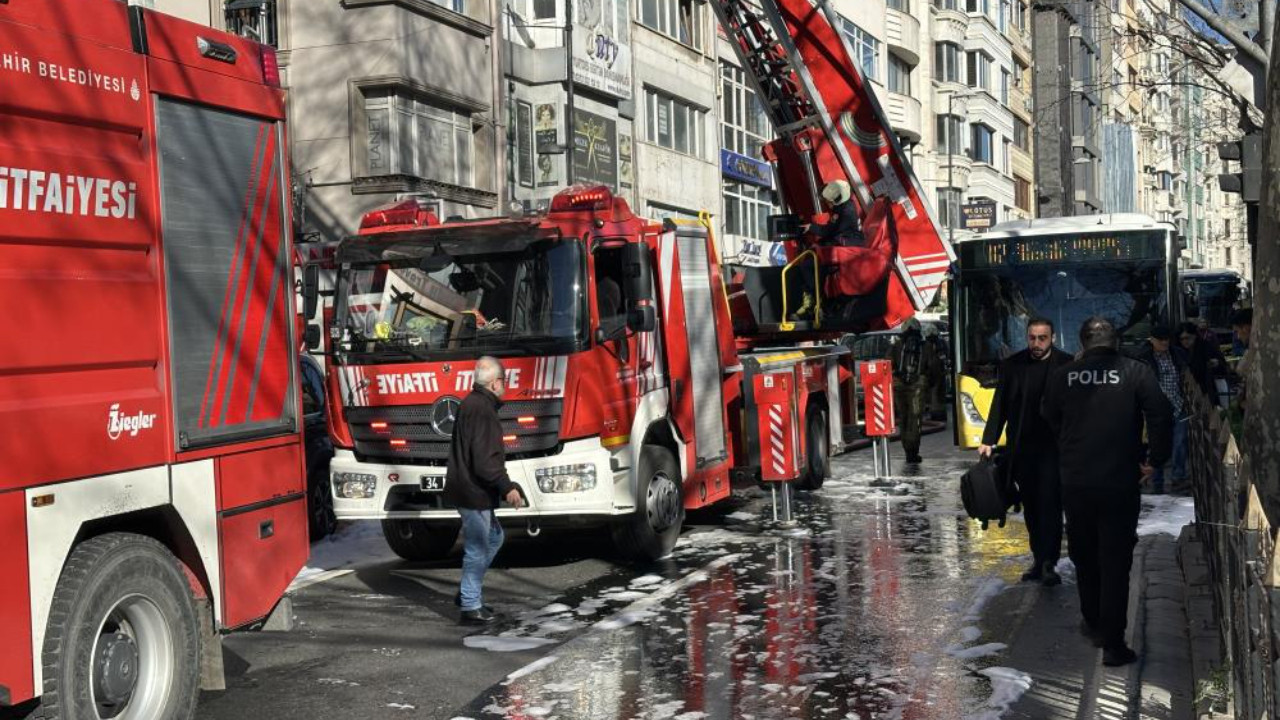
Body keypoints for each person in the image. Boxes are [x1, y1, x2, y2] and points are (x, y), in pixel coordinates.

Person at [1042, 317, 1173, 666]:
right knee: (1116, 560)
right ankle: (1113, 643)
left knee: (1085, 555)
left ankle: (1093, 620)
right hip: (1119, 480)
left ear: (1083, 344)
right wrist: (1155, 460)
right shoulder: (1135, 371)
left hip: (1076, 480)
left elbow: (1049, 417)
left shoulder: (1062, 375)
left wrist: (1071, 447)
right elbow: (1161, 413)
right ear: (1115, 342)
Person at [978, 317, 1073, 585]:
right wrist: (989, 439)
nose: (1037, 343)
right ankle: (1038, 558)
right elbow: (1001, 405)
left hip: (1054, 449)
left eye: (1042, 338)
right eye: (1032, 338)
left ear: (1053, 338)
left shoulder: (1067, 365)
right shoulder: (1013, 365)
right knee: (1031, 507)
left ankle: (1049, 563)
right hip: (1023, 448)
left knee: (1051, 505)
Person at [444, 356, 525, 625]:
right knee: (478, 547)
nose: (505, 386)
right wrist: (507, 487)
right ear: (495, 383)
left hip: (468, 488)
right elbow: (486, 460)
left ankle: (469, 591)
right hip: (473, 492)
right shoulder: (482, 410)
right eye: (503, 381)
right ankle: (470, 606)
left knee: (494, 538)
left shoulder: (471, 404)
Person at [793, 180, 864, 320]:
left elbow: (832, 232)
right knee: (813, 264)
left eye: (828, 201)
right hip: (843, 249)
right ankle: (818, 304)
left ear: (836, 199)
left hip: (843, 251)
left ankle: (814, 303)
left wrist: (814, 231)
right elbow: (832, 231)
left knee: (808, 267)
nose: (827, 204)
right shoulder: (845, 208)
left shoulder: (845, 212)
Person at [1136, 325, 1188, 494]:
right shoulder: (1143, 358)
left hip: (1178, 404)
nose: (1165, 342)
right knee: (1156, 445)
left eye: (1167, 339)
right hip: (1155, 409)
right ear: (1152, 340)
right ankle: (1157, 480)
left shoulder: (1177, 354)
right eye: (1161, 340)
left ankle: (1177, 477)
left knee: (1179, 443)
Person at [890, 318, 938, 463]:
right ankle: (912, 452)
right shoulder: (927, 346)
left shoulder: (896, 346)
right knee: (915, 420)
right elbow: (934, 368)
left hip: (899, 387)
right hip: (918, 387)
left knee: (903, 419)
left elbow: (888, 364)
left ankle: (907, 450)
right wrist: (929, 385)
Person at [1179, 321, 1224, 407]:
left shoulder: (1206, 347)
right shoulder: (1180, 351)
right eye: (1182, 339)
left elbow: (1222, 365)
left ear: (1194, 336)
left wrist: (1216, 363)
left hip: (1207, 391)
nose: (1185, 341)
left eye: (1187, 338)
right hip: (1189, 393)